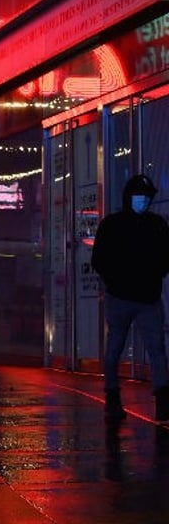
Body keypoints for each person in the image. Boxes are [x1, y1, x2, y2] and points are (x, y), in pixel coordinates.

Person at [91, 174, 169, 422]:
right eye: (140, 197)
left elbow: (99, 259)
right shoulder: (155, 225)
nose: (143, 201)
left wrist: (114, 281)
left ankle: (113, 398)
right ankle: (161, 402)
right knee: (154, 349)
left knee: (117, 347)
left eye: (146, 198)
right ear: (130, 197)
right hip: (143, 297)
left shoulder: (113, 224)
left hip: (126, 296)